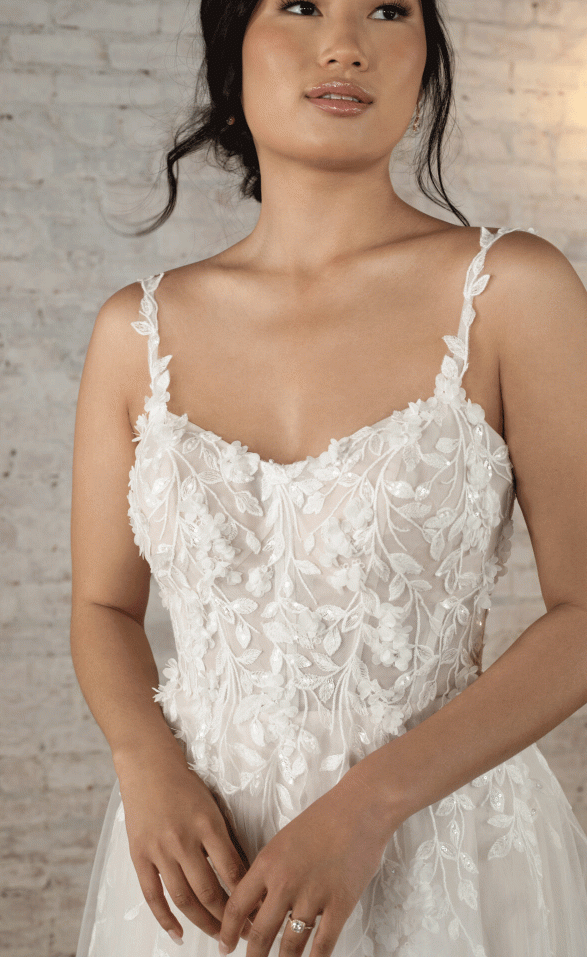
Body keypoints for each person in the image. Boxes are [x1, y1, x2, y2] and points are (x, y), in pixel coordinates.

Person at [71, 0, 587, 954]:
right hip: (204, 873)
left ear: (426, 54)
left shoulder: (515, 292)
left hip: (439, 853)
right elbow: (103, 608)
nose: (344, 42)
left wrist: (370, 804)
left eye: (388, 8)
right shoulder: (134, 334)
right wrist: (148, 766)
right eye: (301, 4)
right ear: (234, 47)